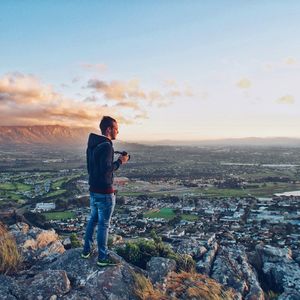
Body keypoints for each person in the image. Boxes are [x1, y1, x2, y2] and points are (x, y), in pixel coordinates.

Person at [81, 116, 129, 267]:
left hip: (93, 190)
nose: (118, 131)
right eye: (116, 129)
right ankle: (102, 257)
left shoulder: (92, 144)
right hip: (104, 192)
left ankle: (86, 251)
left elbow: (91, 168)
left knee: (93, 220)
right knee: (103, 225)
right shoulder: (107, 146)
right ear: (108, 129)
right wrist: (121, 161)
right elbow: (106, 170)